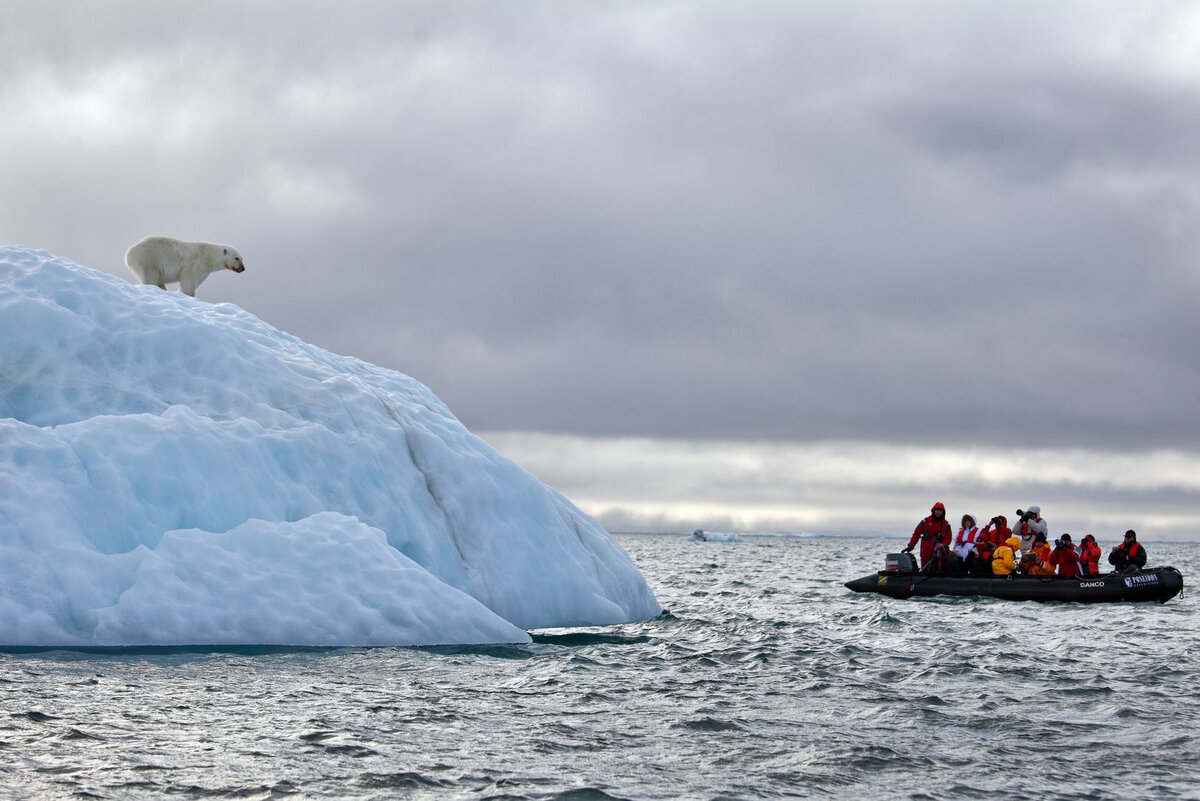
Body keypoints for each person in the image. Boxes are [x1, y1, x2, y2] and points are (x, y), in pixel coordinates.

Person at [904, 502, 953, 569]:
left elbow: (948, 538)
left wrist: (942, 546)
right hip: (926, 552)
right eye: (937, 510)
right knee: (925, 569)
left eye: (940, 510)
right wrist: (911, 546)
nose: (938, 512)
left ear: (943, 512)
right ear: (933, 510)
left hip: (939, 552)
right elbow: (916, 533)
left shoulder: (946, 525)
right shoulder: (925, 521)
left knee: (938, 569)